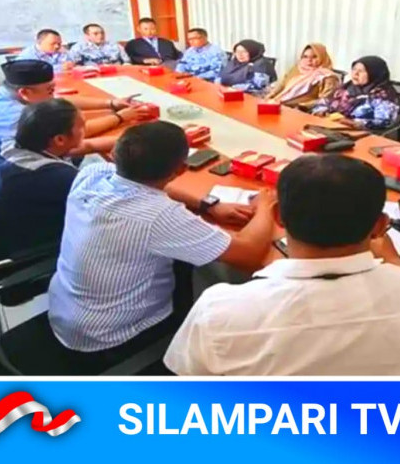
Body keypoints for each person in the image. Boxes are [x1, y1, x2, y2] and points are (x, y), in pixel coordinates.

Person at [164, 154, 400, 376]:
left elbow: (190, 382)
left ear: (278, 219)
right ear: (380, 226)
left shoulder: (220, 311)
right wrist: (393, 262)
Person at [47, 121, 276, 373]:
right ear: (180, 170)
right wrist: (265, 205)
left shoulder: (92, 174)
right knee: (212, 279)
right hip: (110, 336)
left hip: (65, 312)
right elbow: (248, 254)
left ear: (115, 154)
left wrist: (207, 204)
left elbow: (150, 189)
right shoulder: (159, 216)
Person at [0, 99, 117, 260]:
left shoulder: (6, 144)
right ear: (59, 140)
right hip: (31, 250)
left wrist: (127, 141)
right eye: (82, 126)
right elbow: (112, 207)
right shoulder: (56, 176)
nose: (85, 129)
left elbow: (86, 146)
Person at [0, 60, 154, 164]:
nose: (53, 94)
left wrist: (111, 103)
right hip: (18, 173)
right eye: (50, 90)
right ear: (25, 92)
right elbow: (76, 135)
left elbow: (56, 102)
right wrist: (120, 118)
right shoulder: (14, 114)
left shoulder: (6, 92)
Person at [311, 56, 400, 130]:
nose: (355, 74)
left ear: (374, 74)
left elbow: (384, 121)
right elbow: (324, 102)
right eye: (354, 69)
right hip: (332, 127)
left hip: (361, 135)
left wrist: (355, 123)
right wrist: (321, 111)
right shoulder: (347, 87)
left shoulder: (383, 95)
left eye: (361, 71)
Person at [265, 43, 340, 110]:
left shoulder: (328, 77)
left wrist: (301, 106)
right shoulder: (297, 68)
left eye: (314, 57)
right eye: (305, 57)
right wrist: (270, 96)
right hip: (280, 105)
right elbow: (282, 84)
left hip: (301, 111)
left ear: (322, 58)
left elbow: (325, 101)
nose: (309, 60)